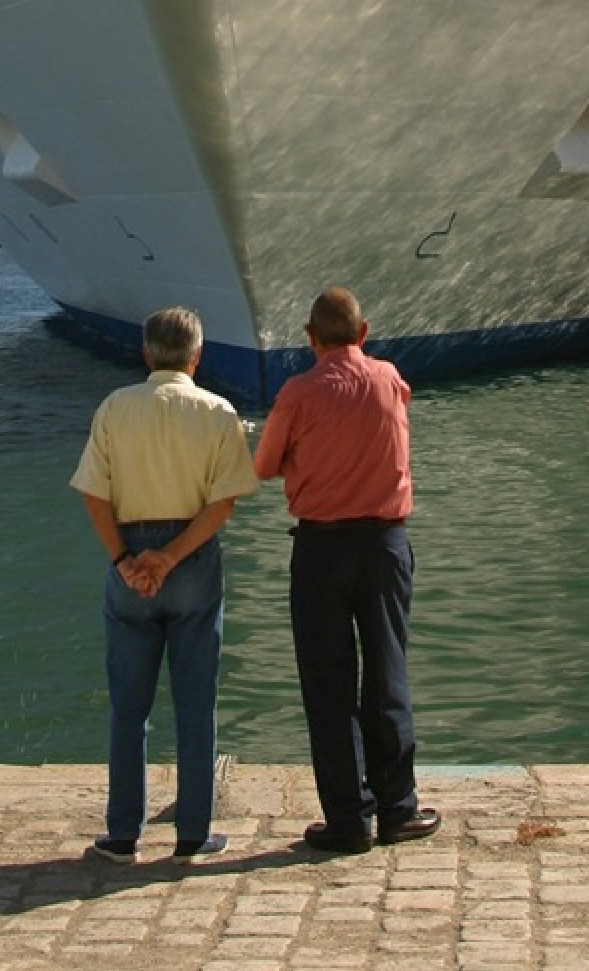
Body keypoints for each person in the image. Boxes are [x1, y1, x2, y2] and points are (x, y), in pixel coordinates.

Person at [253, 285, 439, 853]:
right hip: (385, 544)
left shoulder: (298, 392)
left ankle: (347, 818)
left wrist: (300, 457)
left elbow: (263, 465)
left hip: (321, 548)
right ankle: (398, 808)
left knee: (327, 681)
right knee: (387, 671)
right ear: (364, 332)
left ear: (310, 339)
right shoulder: (390, 379)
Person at [71, 305, 257, 863]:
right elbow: (222, 504)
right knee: (196, 703)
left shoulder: (114, 407)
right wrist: (171, 556)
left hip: (129, 551)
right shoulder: (218, 412)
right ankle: (192, 834)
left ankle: (122, 832)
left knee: (129, 706)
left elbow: (94, 494)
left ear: (145, 353)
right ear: (198, 356)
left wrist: (126, 560)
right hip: (191, 557)